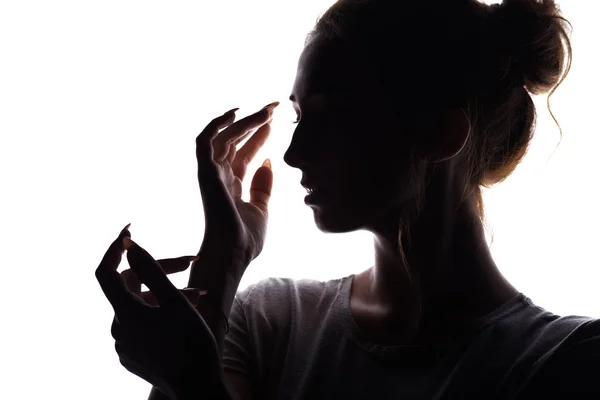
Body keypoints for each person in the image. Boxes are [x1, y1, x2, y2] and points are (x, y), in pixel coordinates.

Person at [96, 0, 600, 398]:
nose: (293, 155)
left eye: (331, 116)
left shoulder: (563, 361)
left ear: (441, 134)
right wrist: (219, 269)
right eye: (297, 117)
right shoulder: (270, 320)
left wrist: (196, 384)